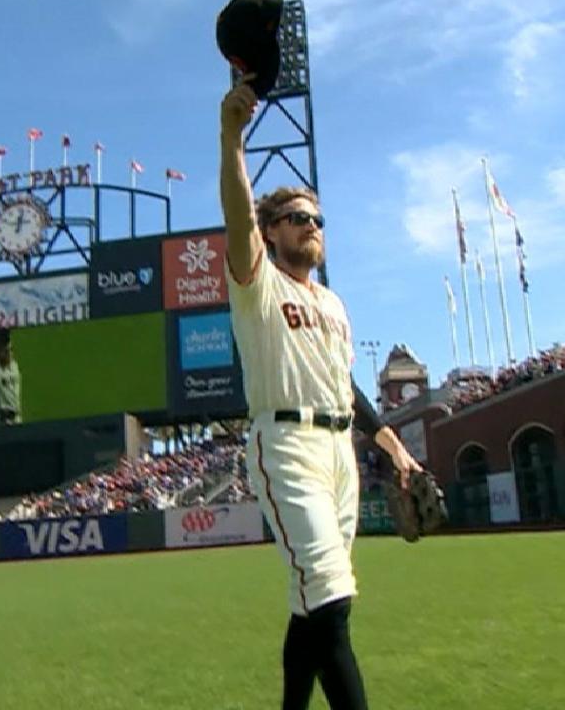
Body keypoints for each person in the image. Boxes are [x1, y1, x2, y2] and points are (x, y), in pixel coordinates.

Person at [219, 78, 424, 710]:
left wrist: (394, 448)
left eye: (317, 219)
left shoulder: (333, 303)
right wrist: (231, 134)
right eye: (297, 218)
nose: (311, 226)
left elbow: (349, 389)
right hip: (286, 446)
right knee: (331, 600)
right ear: (271, 231)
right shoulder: (257, 285)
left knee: (315, 607)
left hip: (340, 455)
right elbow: (235, 210)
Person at [0, 328, 23, 425]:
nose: (9, 353)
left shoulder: (14, 366)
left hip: (16, 419)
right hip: (1, 421)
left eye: (10, 350)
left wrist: (4, 338)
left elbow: (8, 345)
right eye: (6, 351)